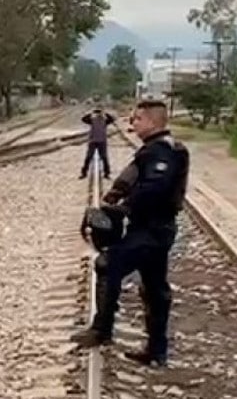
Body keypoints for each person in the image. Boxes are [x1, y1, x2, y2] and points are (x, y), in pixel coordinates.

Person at [71, 98, 190, 366]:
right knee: (154, 287)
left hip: (151, 229)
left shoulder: (162, 152)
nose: (132, 123)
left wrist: (123, 209)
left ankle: (102, 330)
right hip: (153, 229)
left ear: (150, 121)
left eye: (136, 119)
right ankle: (156, 351)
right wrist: (115, 196)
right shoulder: (155, 149)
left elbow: (154, 189)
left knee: (107, 265)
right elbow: (132, 177)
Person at [80, 107, 115, 179]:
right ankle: (84, 173)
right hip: (93, 141)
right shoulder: (92, 120)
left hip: (101, 141)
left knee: (104, 158)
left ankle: (107, 174)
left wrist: (105, 112)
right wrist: (91, 112)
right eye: (98, 113)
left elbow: (112, 119)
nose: (98, 114)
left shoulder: (104, 120)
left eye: (99, 113)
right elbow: (83, 119)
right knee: (89, 157)